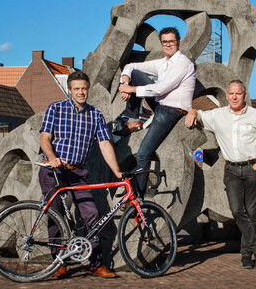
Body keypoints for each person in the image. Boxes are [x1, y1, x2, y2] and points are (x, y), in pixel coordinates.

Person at [39, 71, 123, 279]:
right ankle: (59, 263)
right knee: (56, 214)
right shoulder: (56, 109)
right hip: (53, 170)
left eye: (84, 88)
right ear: (69, 90)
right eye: (76, 89)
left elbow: (104, 144)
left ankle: (95, 264)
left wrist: (118, 172)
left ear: (88, 89)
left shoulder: (95, 115)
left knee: (91, 214)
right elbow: (45, 138)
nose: (81, 92)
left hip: (78, 172)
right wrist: (52, 157)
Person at [185, 80, 256, 269]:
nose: (234, 97)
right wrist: (192, 112)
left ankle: (247, 256)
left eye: (238, 94)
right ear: (227, 95)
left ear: (245, 95)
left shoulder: (255, 115)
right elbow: (199, 115)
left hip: (252, 168)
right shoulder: (218, 115)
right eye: (231, 93)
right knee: (236, 211)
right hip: (231, 170)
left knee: (251, 213)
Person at [113, 27, 196, 197]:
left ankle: (137, 196)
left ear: (178, 43)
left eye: (171, 41)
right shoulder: (163, 63)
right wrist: (125, 84)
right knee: (136, 73)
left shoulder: (183, 63)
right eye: (164, 42)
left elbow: (160, 88)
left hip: (172, 111)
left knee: (143, 153)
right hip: (160, 106)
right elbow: (131, 66)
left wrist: (131, 89)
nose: (168, 44)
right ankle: (133, 119)